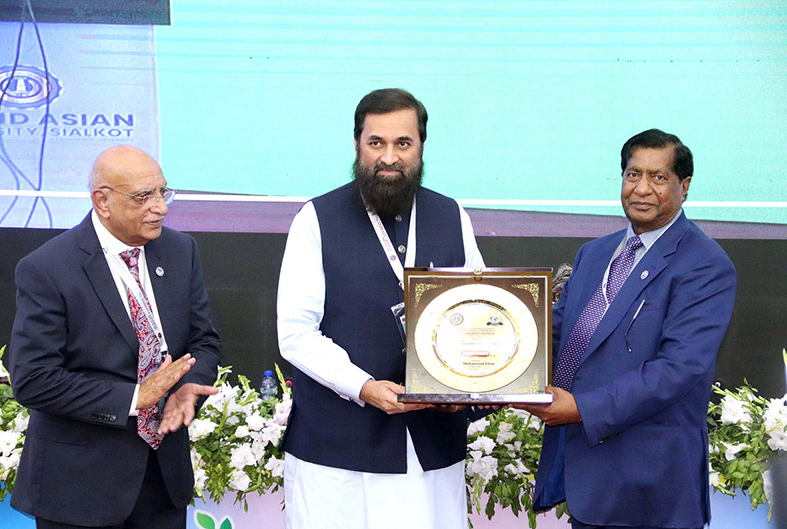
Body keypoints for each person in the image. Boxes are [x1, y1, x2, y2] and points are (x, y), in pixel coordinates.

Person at [276, 88, 485, 529]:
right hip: (337, 453)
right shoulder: (315, 218)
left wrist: (463, 387)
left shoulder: (452, 215)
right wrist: (362, 385)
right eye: (377, 143)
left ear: (421, 148)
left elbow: (480, 315)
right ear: (357, 146)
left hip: (432, 448)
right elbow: (295, 332)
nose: (389, 157)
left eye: (402, 144)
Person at [517, 129, 737, 529]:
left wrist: (582, 408)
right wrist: (485, 373)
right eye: (633, 174)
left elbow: (677, 369)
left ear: (683, 186)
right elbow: (555, 336)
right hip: (591, 478)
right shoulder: (595, 253)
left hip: (651, 485)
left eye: (658, 177)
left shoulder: (705, 264)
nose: (642, 189)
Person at [9, 146, 221, 529]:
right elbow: (33, 380)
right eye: (144, 197)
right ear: (102, 201)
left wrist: (187, 386)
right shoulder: (47, 268)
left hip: (163, 480)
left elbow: (203, 342)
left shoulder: (180, 250)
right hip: (79, 490)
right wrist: (136, 398)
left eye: (163, 192)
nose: (161, 208)